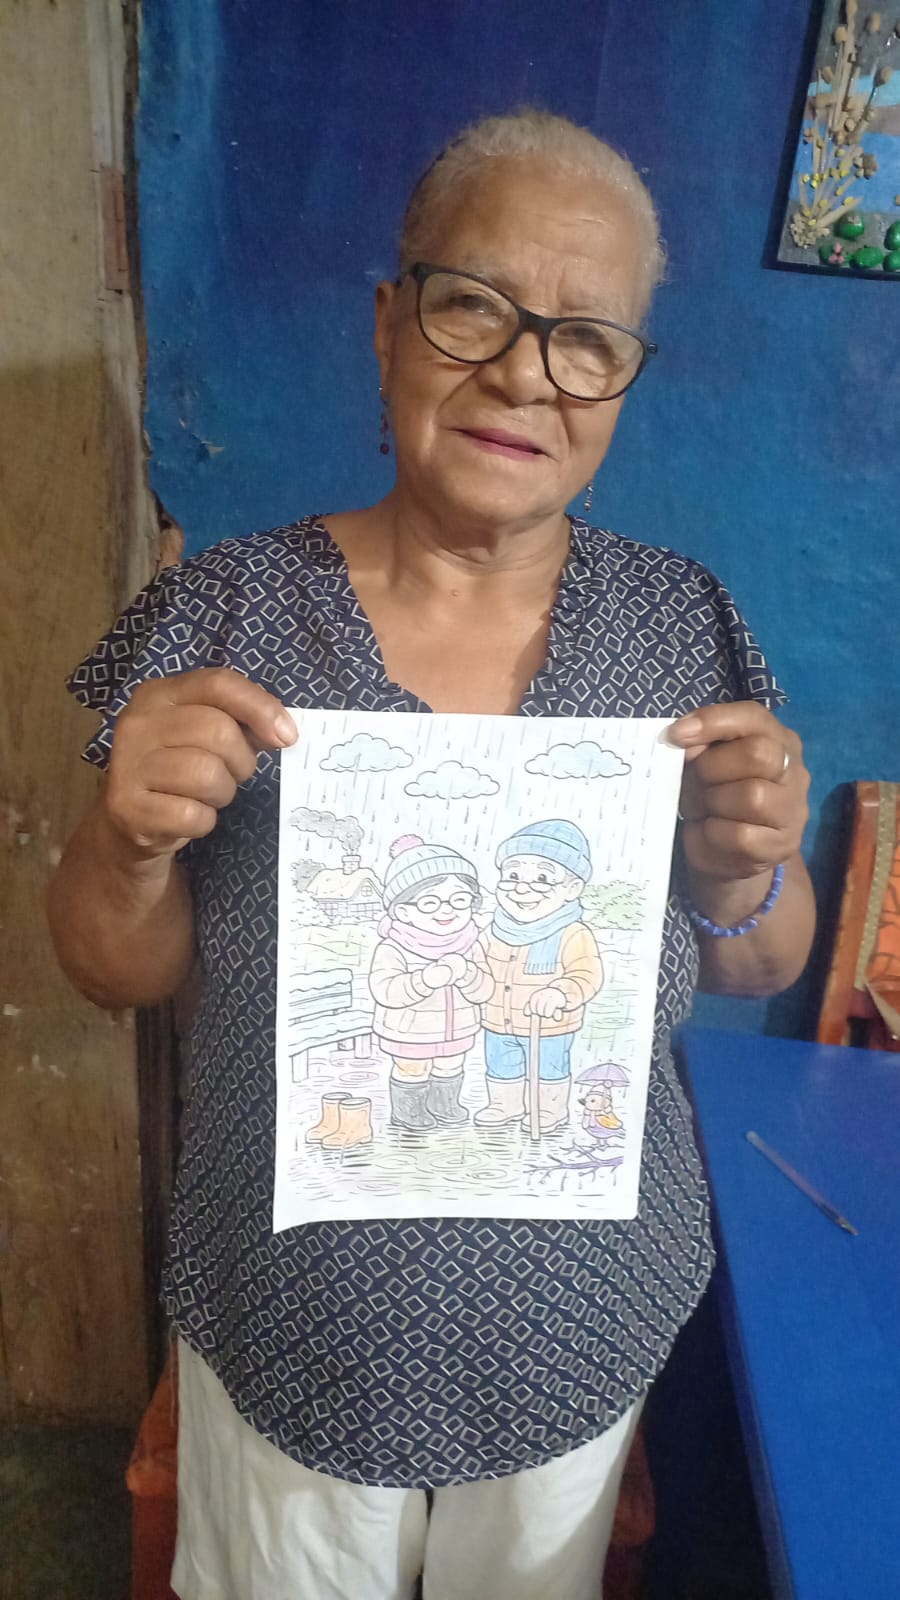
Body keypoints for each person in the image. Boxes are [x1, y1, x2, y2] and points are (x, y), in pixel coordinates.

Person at [48, 108, 814, 1600]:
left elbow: (757, 958)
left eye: (586, 339)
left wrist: (745, 874)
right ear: (390, 323)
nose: (525, 372)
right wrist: (129, 842)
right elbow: (111, 968)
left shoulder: (682, 622)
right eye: (475, 306)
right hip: (291, 1313)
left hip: (581, 1317)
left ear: (625, 379)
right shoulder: (227, 612)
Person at [476, 818, 603, 1132]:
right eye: (513, 876)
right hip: (497, 1019)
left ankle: (549, 1109)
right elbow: (477, 963)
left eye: (543, 879)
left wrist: (561, 992)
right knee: (501, 1064)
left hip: (549, 1026)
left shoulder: (572, 933)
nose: (522, 888)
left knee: (548, 1067)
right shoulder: (494, 930)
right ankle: (504, 1104)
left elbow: (586, 973)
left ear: (572, 889)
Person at [368, 834, 493, 1131]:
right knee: (413, 1068)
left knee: (451, 1064)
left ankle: (444, 1104)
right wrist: (425, 980)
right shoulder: (394, 947)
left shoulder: (471, 943)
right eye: (429, 902)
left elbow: (485, 989)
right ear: (403, 911)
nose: (446, 909)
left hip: (458, 1026)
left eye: (459, 899)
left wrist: (467, 974)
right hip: (409, 1030)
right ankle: (408, 1111)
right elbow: (385, 991)